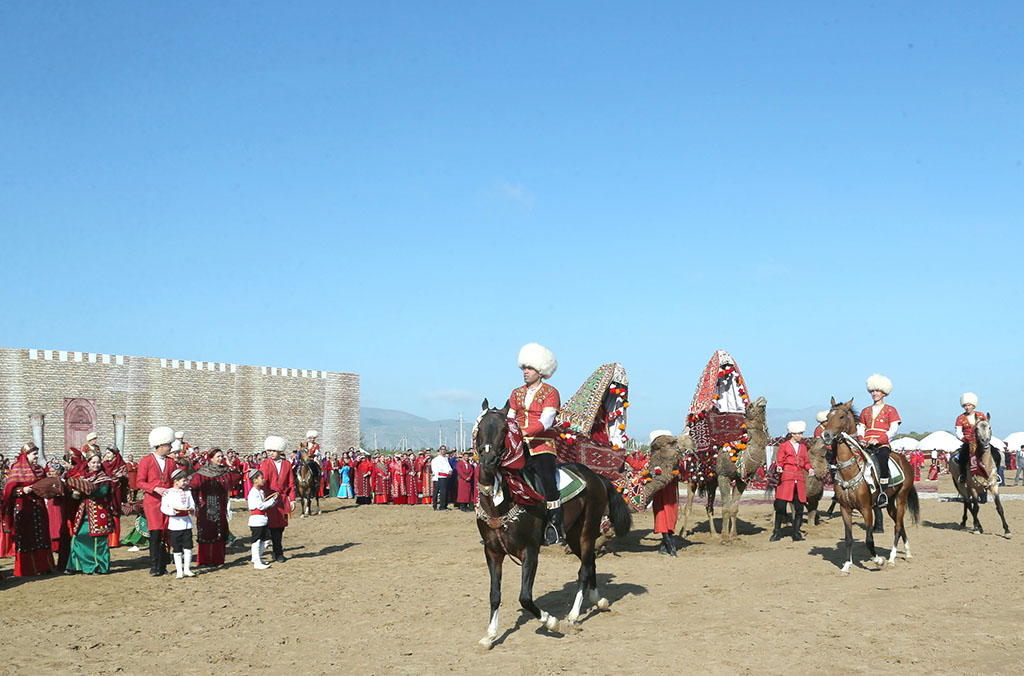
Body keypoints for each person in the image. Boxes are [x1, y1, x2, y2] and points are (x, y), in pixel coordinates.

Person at [508, 342, 563, 545]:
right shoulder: (516, 393)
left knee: (548, 480)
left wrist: (523, 432)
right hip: (519, 447)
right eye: (524, 368)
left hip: (542, 446)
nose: (525, 372)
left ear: (540, 371)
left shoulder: (550, 392)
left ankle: (554, 525)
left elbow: (547, 421)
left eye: (529, 368)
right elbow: (510, 417)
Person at [1, 442, 55, 576]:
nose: (36, 456)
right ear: (26, 455)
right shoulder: (17, 469)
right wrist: (22, 490)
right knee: (26, 537)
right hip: (24, 508)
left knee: (42, 535)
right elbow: (9, 491)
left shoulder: (40, 470)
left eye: (37, 453)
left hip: (39, 507)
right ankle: (27, 569)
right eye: (34, 454)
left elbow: (45, 484)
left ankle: (44, 566)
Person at [188, 448, 241, 566]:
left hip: (220, 507)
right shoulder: (202, 473)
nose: (221, 458)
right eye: (218, 456)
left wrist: (230, 465)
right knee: (206, 532)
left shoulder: (225, 472)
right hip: (205, 508)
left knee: (220, 531)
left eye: (222, 456)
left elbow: (236, 477)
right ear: (211, 459)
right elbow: (191, 486)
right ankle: (204, 560)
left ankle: (218, 559)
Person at [66, 450, 115, 574]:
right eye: (93, 462)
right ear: (88, 463)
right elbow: (74, 497)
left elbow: (103, 492)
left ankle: (100, 567)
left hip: (99, 512)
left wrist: (87, 489)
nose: (96, 465)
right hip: (84, 512)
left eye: (98, 462)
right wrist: (76, 494)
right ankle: (76, 565)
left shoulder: (104, 478)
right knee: (78, 537)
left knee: (98, 541)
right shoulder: (82, 478)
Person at [138, 426, 177, 576]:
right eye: (169, 445)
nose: (171, 447)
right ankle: (154, 565)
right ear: (161, 445)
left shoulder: (171, 462)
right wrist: (155, 488)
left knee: (166, 534)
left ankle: (163, 565)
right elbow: (140, 482)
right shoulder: (146, 461)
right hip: (152, 502)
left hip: (167, 501)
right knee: (155, 534)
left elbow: (173, 481)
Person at [858, 374, 900, 508]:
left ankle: (883, 492)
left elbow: (893, 429)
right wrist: (861, 439)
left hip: (882, 444)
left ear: (884, 392)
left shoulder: (891, 410)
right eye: (872, 391)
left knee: (882, 459)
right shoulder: (865, 411)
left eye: (877, 391)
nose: (874, 393)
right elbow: (861, 428)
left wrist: (879, 440)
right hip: (865, 443)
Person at [771, 422, 814, 542]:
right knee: (780, 507)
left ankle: (796, 533)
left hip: (799, 480)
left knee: (799, 508)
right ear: (792, 434)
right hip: (786, 479)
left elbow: (806, 461)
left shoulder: (803, 447)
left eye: (801, 433)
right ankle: (777, 532)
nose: (801, 436)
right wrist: (780, 466)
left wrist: (810, 469)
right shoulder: (783, 446)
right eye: (799, 434)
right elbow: (779, 460)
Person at [258, 436, 295, 563]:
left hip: (283, 500)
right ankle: (278, 552)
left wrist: (293, 499)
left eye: (273, 451)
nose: (271, 453)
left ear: (279, 450)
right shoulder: (265, 464)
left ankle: (276, 550)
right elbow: (263, 482)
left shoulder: (287, 464)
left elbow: (291, 483)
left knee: (282, 526)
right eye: (269, 451)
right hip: (270, 499)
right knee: (274, 527)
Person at [649, 431, 680, 556]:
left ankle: (666, 545)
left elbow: (683, 472)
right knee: (662, 517)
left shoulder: (675, 458)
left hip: (670, 490)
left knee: (670, 516)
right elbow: (642, 466)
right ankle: (670, 546)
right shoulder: (652, 460)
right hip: (659, 489)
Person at [160, 469, 196, 579]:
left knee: (188, 546)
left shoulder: (188, 492)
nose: (186, 483)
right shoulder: (168, 493)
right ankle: (179, 571)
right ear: (176, 481)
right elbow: (163, 507)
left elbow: (192, 504)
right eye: (183, 481)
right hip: (175, 524)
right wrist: (172, 511)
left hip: (186, 523)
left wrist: (191, 509)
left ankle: (187, 569)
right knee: (177, 548)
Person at [954, 392, 990, 484]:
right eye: (965, 406)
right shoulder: (960, 418)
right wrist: (965, 440)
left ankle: (995, 474)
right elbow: (958, 432)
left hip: (981, 441)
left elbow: (985, 426)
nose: (967, 407)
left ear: (973, 406)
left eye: (969, 405)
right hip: (968, 443)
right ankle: (963, 475)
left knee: (995, 453)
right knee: (962, 457)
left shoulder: (981, 415)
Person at [246, 469, 277, 570]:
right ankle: (257, 562)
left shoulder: (261, 491)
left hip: (263, 519)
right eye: (261, 478)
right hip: (256, 520)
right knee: (256, 541)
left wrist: (273, 502)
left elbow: (265, 505)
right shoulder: (253, 493)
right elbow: (260, 506)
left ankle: (256, 557)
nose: (263, 480)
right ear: (255, 480)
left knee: (267, 540)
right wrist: (271, 501)